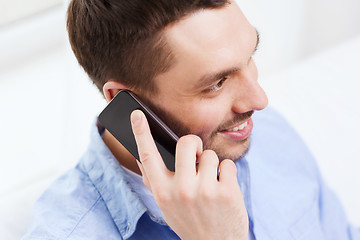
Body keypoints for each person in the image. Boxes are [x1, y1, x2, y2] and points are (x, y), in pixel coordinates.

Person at [23, 0, 359, 239]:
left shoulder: (266, 135)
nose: (259, 100)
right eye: (216, 83)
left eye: (250, 57)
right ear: (126, 102)